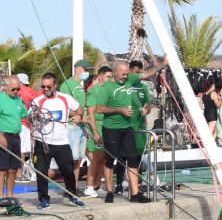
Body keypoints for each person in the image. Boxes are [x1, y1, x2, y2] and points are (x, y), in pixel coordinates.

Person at [96, 61, 160, 203]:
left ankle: (135, 193)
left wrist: (163, 63)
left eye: (127, 74)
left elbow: (147, 73)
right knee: (110, 160)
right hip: (111, 128)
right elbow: (99, 109)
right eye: (123, 74)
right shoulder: (107, 88)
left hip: (128, 127)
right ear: (115, 73)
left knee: (132, 159)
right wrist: (119, 110)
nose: (126, 77)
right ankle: (110, 190)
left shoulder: (130, 79)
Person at [29, 73, 84, 209]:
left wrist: (78, 116)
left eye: (49, 86)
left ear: (55, 85)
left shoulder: (65, 98)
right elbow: (28, 119)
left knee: (68, 170)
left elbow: (79, 109)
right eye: (43, 86)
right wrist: (33, 115)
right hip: (43, 142)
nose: (46, 89)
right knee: (41, 171)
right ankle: (43, 199)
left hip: (61, 143)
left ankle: (72, 196)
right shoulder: (38, 101)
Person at [82, 65, 112, 198]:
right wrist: (95, 132)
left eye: (112, 77)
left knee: (104, 158)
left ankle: (97, 185)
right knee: (96, 157)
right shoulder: (93, 91)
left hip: (107, 126)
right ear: (100, 76)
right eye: (108, 77)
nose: (111, 79)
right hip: (97, 126)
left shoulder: (109, 90)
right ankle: (89, 186)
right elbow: (91, 114)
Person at [59, 59, 91, 186]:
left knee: (78, 159)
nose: (87, 72)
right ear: (77, 69)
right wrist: (78, 116)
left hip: (81, 127)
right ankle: (70, 187)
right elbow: (63, 106)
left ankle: (75, 186)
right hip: (72, 125)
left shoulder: (79, 86)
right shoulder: (67, 85)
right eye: (85, 69)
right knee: (72, 159)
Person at [0, 76, 29, 197]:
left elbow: (25, 114)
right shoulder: (1, 98)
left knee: (13, 169)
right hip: (4, 136)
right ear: (5, 86)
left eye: (18, 89)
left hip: (16, 137)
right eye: (13, 89)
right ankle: (0, 196)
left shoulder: (17, 99)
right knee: (2, 169)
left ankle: (10, 196)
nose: (16, 91)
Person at [128, 60, 153, 192]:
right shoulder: (126, 85)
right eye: (136, 72)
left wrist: (146, 110)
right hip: (127, 127)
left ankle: (138, 183)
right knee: (127, 156)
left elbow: (148, 104)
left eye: (140, 72)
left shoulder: (143, 88)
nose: (138, 75)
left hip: (140, 127)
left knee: (139, 155)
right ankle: (123, 184)